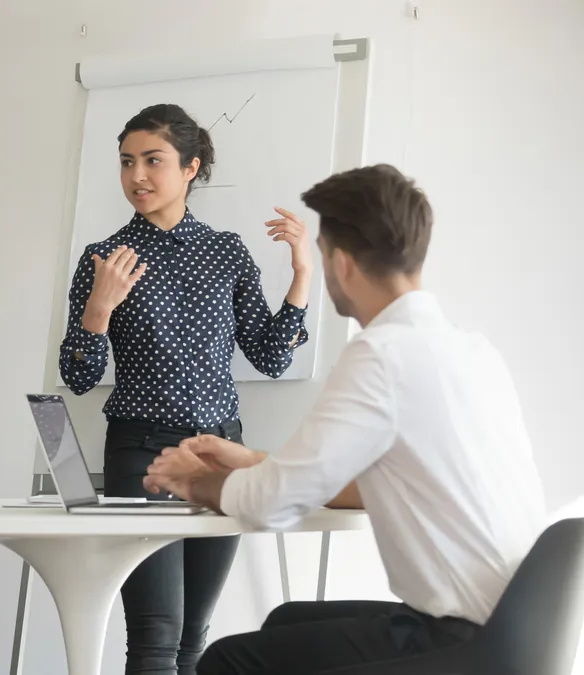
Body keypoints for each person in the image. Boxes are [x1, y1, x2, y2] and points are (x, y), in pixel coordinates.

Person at [144, 164, 548, 675]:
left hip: (464, 643)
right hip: (520, 627)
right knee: (284, 622)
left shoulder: (381, 354)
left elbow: (269, 504)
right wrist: (253, 460)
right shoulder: (470, 350)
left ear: (341, 263)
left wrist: (194, 481)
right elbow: (367, 482)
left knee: (229, 661)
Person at [59, 103, 312, 674]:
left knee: (195, 636)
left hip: (223, 455)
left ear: (191, 167)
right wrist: (99, 308)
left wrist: (300, 275)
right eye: (126, 163)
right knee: (155, 634)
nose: (137, 177)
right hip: (141, 454)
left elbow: (271, 357)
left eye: (153, 161)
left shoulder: (227, 251)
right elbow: (77, 376)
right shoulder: (103, 259)